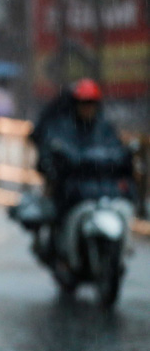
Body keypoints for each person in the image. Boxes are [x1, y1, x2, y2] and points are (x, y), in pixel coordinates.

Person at [29, 78, 136, 263]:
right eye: (84, 103)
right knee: (58, 209)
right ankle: (59, 250)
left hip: (100, 186)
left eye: (91, 104)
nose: (88, 108)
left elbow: (117, 149)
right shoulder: (63, 125)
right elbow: (53, 147)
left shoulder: (104, 127)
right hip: (75, 186)